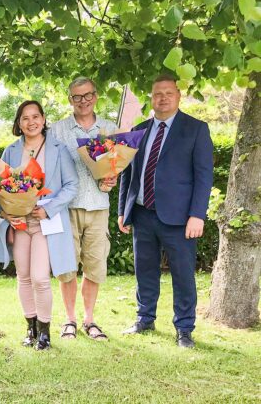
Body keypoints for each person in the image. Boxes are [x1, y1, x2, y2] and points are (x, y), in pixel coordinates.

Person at [118, 74, 213, 348]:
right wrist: (123, 209)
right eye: (158, 93)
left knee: (183, 274)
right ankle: (144, 319)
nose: (163, 97)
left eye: (168, 92)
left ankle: (184, 329)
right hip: (142, 213)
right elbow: (128, 173)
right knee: (144, 270)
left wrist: (198, 214)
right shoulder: (139, 130)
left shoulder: (196, 129)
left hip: (180, 218)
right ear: (151, 97)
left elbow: (204, 175)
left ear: (178, 96)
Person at [0, 100, 78, 350]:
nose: (31, 122)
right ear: (18, 123)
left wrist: (48, 209)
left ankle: (44, 331)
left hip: (45, 222)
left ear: (43, 119)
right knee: (23, 277)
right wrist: (6, 213)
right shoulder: (10, 151)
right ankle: (29, 329)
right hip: (20, 224)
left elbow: (71, 185)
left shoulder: (59, 149)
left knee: (41, 278)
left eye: (35, 117)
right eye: (25, 118)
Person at [50, 77, 118, 341]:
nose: (83, 101)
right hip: (67, 208)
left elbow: (115, 167)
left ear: (96, 95)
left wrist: (111, 178)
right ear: (70, 99)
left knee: (95, 266)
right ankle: (70, 320)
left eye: (87, 95)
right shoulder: (57, 130)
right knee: (67, 267)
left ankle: (89, 320)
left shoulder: (110, 129)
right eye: (77, 97)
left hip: (99, 206)